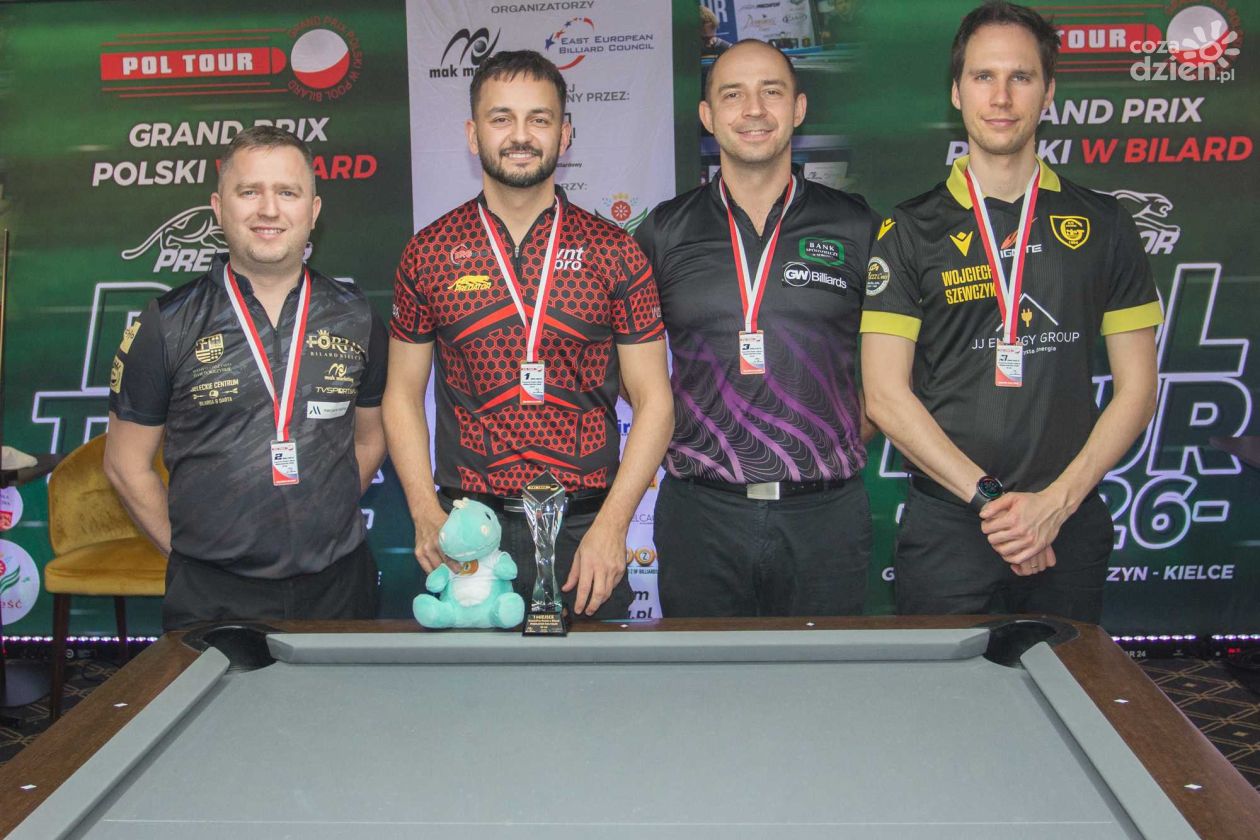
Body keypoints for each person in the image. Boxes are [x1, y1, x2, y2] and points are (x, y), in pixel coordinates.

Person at [861, 1, 1161, 622]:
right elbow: (885, 396)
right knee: (943, 688)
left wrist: (1054, 504)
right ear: (956, 91)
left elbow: (1138, 389)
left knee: (1066, 680)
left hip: (1067, 521)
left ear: (1048, 92)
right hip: (949, 525)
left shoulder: (1105, 223)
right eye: (983, 76)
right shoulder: (909, 229)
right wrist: (997, 506)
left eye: (1020, 77)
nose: (1001, 97)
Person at [383, 50, 672, 620]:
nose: (520, 135)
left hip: (586, 532)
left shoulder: (615, 252)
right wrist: (424, 511)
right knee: (472, 681)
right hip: (469, 534)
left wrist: (614, 525)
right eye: (501, 118)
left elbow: (655, 401)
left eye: (539, 119)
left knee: (594, 681)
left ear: (565, 134)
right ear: (473, 135)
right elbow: (400, 395)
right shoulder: (428, 252)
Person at [105, 126, 388, 630]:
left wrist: (322, 514)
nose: (269, 209)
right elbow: (126, 466)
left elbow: (371, 439)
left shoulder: (357, 316)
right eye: (249, 191)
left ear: (313, 211)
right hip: (212, 597)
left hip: (339, 587)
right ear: (219, 207)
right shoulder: (166, 323)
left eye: (287, 192)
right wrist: (195, 559)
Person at [635, 40, 879, 618]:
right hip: (701, 514)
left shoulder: (857, 225)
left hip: (826, 516)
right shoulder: (663, 232)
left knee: (825, 673)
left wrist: (838, 434)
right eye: (733, 94)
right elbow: (631, 370)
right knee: (708, 674)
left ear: (798, 108)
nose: (753, 109)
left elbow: (895, 370)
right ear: (707, 115)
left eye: (771, 91)